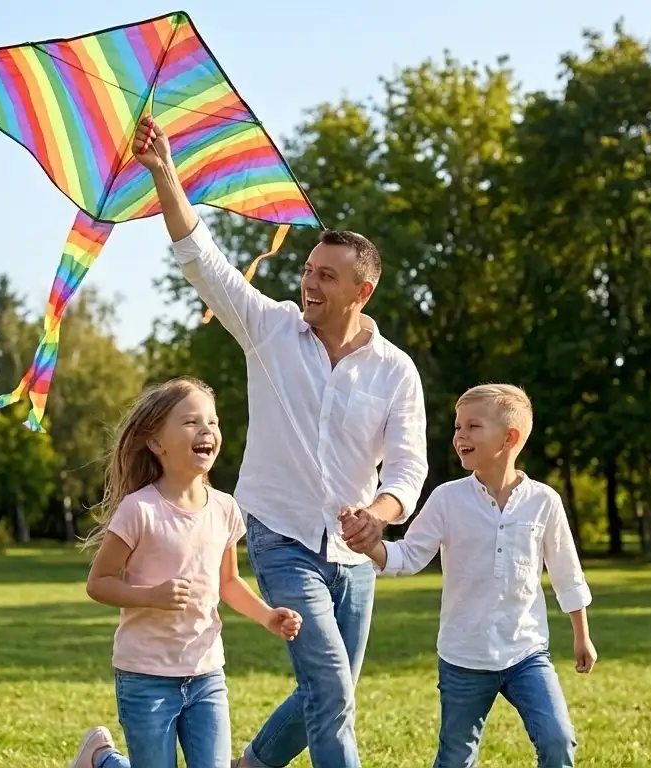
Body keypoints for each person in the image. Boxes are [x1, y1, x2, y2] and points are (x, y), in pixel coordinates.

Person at [130, 117, 429, 767]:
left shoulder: (394, 369)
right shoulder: (269, 331)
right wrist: (164, 174)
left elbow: (408, 467)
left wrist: (376, 519)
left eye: (327, 276)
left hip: (354, 557)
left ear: (362, 290)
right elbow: (202, 261)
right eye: (308, 271)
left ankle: (250, 765)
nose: (309, 284)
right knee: (329, 685)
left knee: (332, 688)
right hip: (280, 535)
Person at [344, 383, 596, 768]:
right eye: (457, 427)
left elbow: (567, 572)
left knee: (558, 739)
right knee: (455, 758)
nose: (459, 435)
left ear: (510, 437)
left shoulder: (544, 501)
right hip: (463, 657)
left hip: (526, 652)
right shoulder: (447, 498)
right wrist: (369, 545)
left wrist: (582, 637)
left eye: (472, 426)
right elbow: (408, 555)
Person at [69, 377, 304, 768]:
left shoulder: (225, 508)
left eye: (212, 422)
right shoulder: (139, 509)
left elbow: (227, 582)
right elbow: (99, 583)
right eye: (191, 422)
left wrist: (267, 615)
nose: (207, 430)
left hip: (206, 673)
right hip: (145, 677)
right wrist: (150, 596)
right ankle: (102, 759)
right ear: (156, 443)